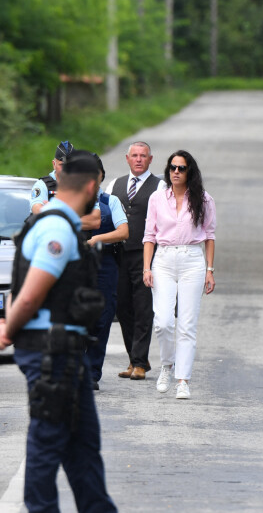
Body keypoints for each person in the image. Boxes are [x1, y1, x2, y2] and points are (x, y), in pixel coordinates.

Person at [0, 152, 117, 513]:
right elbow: (30, 294)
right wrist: (9, 330)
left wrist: (9, 323)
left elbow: (20, 288)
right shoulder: (57, 228)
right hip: (51, 352)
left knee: (84, 446)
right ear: (92, 186)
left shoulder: (59, 224)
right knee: (48, 442)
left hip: (65, 350)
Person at [143, 150, 216, 400]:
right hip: (163, 260)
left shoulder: (203, 200)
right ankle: (167, 365)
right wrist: (146, 268)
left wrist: (209, 270)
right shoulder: (157, 199)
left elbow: (209, 236)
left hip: (192, 261)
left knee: (187, 324)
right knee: (163, 321)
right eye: (173, 167)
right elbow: (149, 236)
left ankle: (183, 380)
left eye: (181, 168)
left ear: (189, 172)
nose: (176, 172)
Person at [105, 141, 165, 380]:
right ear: (127, 158)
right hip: (118, 254)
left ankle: (139, 362)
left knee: (142, 307)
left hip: (146, 255)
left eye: (143, 156)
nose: (139, 159)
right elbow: (107, 216)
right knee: (123, 308)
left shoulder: (160, 186)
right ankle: (135, 358)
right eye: (135, 156)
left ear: (150, 160)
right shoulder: (114, 185)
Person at [86, 154, 129, 390]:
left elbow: (123, 231)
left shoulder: (110, 202)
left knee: (102, 319)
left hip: (105, 264)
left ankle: (92, 373)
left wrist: (98, 238)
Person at [31, 140, 101, 231]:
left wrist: (53, 211)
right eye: (62, 165)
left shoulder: (85, 184)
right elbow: (38, 212)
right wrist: (77, 214)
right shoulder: (42, 185)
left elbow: (95, 221)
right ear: (54, 164)